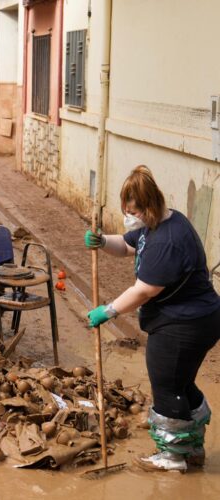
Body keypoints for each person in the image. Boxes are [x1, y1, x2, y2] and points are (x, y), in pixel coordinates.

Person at [84, 165, 220, 472]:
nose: (128, 217)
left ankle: (172, 457)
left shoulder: (167, 241)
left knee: (167, 385)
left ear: (149, 206)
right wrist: (103, 241)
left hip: (184, 325)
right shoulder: (156, 225)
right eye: (125, 210)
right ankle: (193, 448)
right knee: (181, 383)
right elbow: (129, 244)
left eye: (132, 211)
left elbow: (143, 291)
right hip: (197, 318)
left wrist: (108, 310)